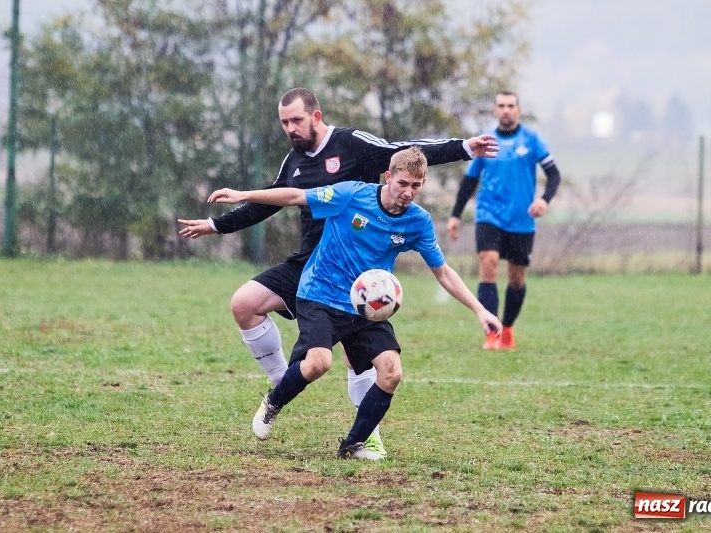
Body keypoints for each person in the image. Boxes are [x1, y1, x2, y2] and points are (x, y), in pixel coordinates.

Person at [178, 88, 498, 457]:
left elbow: (406, 150)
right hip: (313, 265)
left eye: (296, 120)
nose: (290, 128)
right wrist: (220, 223)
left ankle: (363, 438)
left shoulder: (354, 146)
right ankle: (281, 386)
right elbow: (281, 196)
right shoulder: (302, 167)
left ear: (316, 116)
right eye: (284, 122)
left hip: (363, 279)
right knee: (249, 308)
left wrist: (462, 148)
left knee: (372, 365)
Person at [446, 91, 561, 350]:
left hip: (522, 219)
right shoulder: (486, 141)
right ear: (494, 110)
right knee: (489, 263)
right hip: (489, 214)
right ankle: (492, 331)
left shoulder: (532, 140)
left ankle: (508, 327)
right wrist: (455, 215)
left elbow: (554, 174)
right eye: (501, 105)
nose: (506, 110)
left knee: (517, 278)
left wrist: (544, 200)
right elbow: (469, 181)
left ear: (518, 110)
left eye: (511, 105)